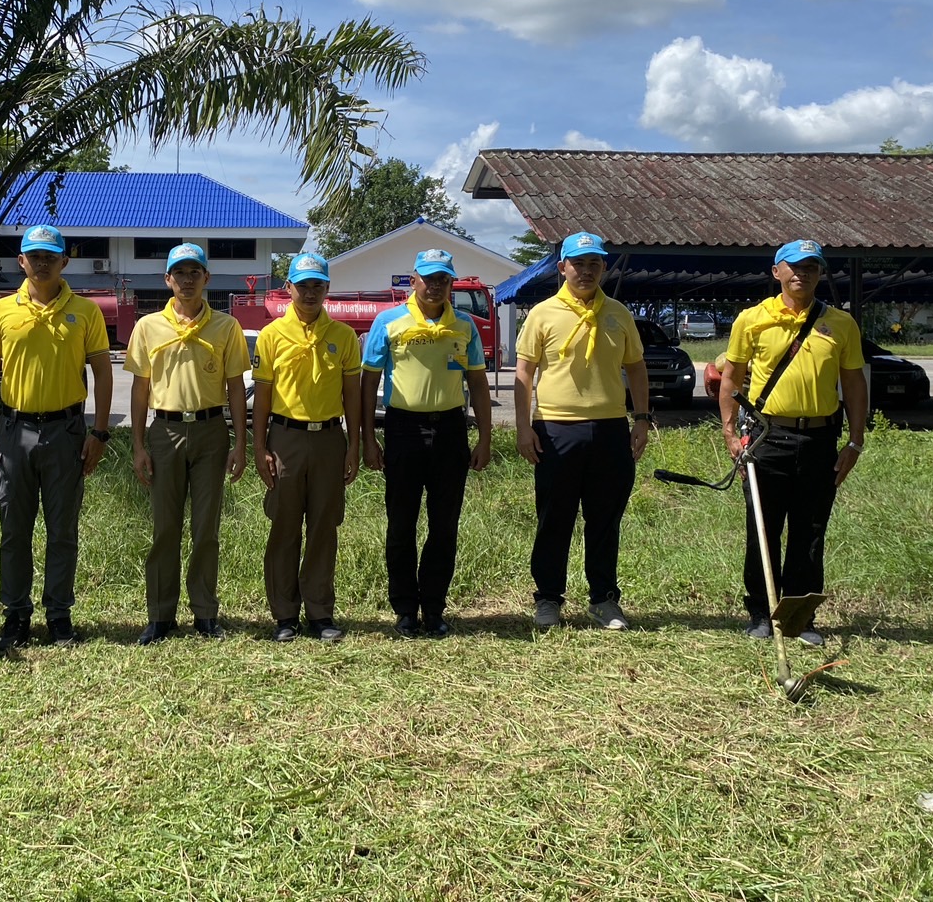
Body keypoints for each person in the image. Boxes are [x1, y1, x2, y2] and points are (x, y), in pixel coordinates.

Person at [718, 239, 867, 648]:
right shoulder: (752, 319)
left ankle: (800, 617)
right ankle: (761, 613)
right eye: (795, 267)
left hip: (819, 439)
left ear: (820, 274)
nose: (802, 274)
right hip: (766, 438)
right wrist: (730, 432)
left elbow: (854, 383)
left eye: (811, 267)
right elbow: (731, 378)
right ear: (777, 271)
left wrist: (855, 441)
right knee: (762, 529)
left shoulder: (841, 324)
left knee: (811, 530)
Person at [0, 224, 112, 650]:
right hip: (15, 431)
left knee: (62, 529)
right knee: (14, 529)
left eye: (50, 256)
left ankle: (59, 614)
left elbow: (103, 373)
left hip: (66, 431)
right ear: (21, 261)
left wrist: (99, 432)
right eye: (34, 256)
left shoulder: (85, 312)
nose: (42, 263)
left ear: (64, 261)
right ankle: (16, 614)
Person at [513, 231, 650, 631]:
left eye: (594, 264)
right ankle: (548, 598)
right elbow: (524, 372)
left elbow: (636, 367)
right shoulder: (542, 314)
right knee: (554, 518)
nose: (586, 271)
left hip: (610, 429)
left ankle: (604, 599)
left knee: (605, 520)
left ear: (604, 267)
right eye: (578, 263)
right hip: (556, 429)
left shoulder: (618, 313)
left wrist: (641, 418)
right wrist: (523, 427)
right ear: (562, 268)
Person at [361, 248, 492, 638]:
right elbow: (369, 382)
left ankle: (434, 608)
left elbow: (478, 383)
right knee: (401, 524)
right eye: (429, 278)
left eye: (443, 279)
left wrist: (485, 438)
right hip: (403, 429)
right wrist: (368, 438)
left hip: (450, 430)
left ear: (451, 283)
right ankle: (405, 609)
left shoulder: (464, 326)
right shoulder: (388, 322)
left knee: (444, 525)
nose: (435, 285)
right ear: (413, 279)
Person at [125, 242, 249, 644]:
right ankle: (161, 615)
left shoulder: (226, 327)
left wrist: (240, 443)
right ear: (168, 279)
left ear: (206, 277)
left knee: (206, 528)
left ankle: (205, 613)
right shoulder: (148, 327)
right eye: (179, 272)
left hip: (211, 431)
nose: (187, 279)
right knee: (165, 528)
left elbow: (235, 387)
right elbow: (140, 389)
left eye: (195, 272)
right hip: (166, 432)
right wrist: (139, 445)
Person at [251, 252, 361, 642]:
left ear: (327, 288)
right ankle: (284, 615)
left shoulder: (344, 336)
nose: (310, 293)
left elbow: (352, 396)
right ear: (288, 288)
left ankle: (319, 612)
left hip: (329, 439)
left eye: (318, 285)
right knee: (284, 526)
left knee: (323, 527)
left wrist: (354, 445)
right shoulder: (272, 335)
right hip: (286, 438)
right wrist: (259, 447)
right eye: (302, 286)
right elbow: (262, 397)